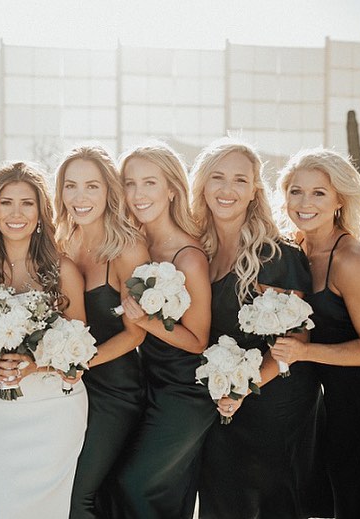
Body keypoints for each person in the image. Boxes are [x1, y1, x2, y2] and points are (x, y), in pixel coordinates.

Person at [191, 138, 323, 519]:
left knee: (270, 505)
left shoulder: (278, 255)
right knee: (222, 502)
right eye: (217, 178)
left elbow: (297, 338)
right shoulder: (198, 251)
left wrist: (242, 388)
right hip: (221, 403)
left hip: (274, 406)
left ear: (254, 191)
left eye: (239, 180)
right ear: (202, 185)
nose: (227, 189)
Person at [272, 148, 360, 518]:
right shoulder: (293, 248)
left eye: (318, 193)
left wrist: (305, 353)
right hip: (336, 401)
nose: (304, 202)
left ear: (339, 199)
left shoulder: (351, 260)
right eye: (295, 191)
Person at [0, 162, 87, 518]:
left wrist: (37, 365)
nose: (16, 213)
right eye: (6, 203)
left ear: (40, 213)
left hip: (55, 408)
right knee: (6, 508)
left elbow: (80, 347)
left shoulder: (62, 269)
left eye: (27, 203)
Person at [112, 141, 214, 518]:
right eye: (130, 183)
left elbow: (197, 340)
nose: (138, 194)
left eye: (150, 183)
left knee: (137, 483)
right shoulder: (134, 243)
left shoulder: (188, 256)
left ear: (172, 189)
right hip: (145, 382)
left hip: (185, 390)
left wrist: (145, 321)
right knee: (158, 488)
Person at [54, 145, 150, 518]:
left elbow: (136, 333)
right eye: (71, 186)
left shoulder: (127, 248)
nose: (80, 197)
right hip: (67, 386)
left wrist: (82, 362)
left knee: (79, 495)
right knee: (63, 487)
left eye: (92, 186)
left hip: (115, 390)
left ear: (109, 190)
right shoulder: (60, 244)